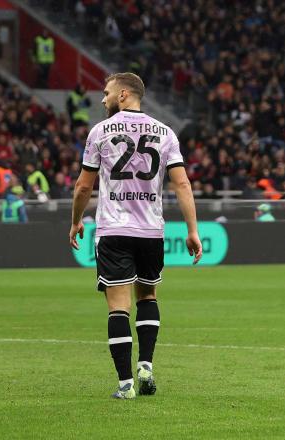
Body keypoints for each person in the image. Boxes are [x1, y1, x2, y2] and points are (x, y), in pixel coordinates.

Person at [69, 73, 202, 400]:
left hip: (114, 230)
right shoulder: (167, 133)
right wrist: (192, 230)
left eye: (106, 93)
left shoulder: (99, 132)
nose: (103, 99)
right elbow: (182, 184)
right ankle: (146, 365)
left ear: (124, 94)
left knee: (118, 308)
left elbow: (84, 186)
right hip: (151, 231)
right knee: (148, 298)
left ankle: (126, 384)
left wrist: (75, 222)